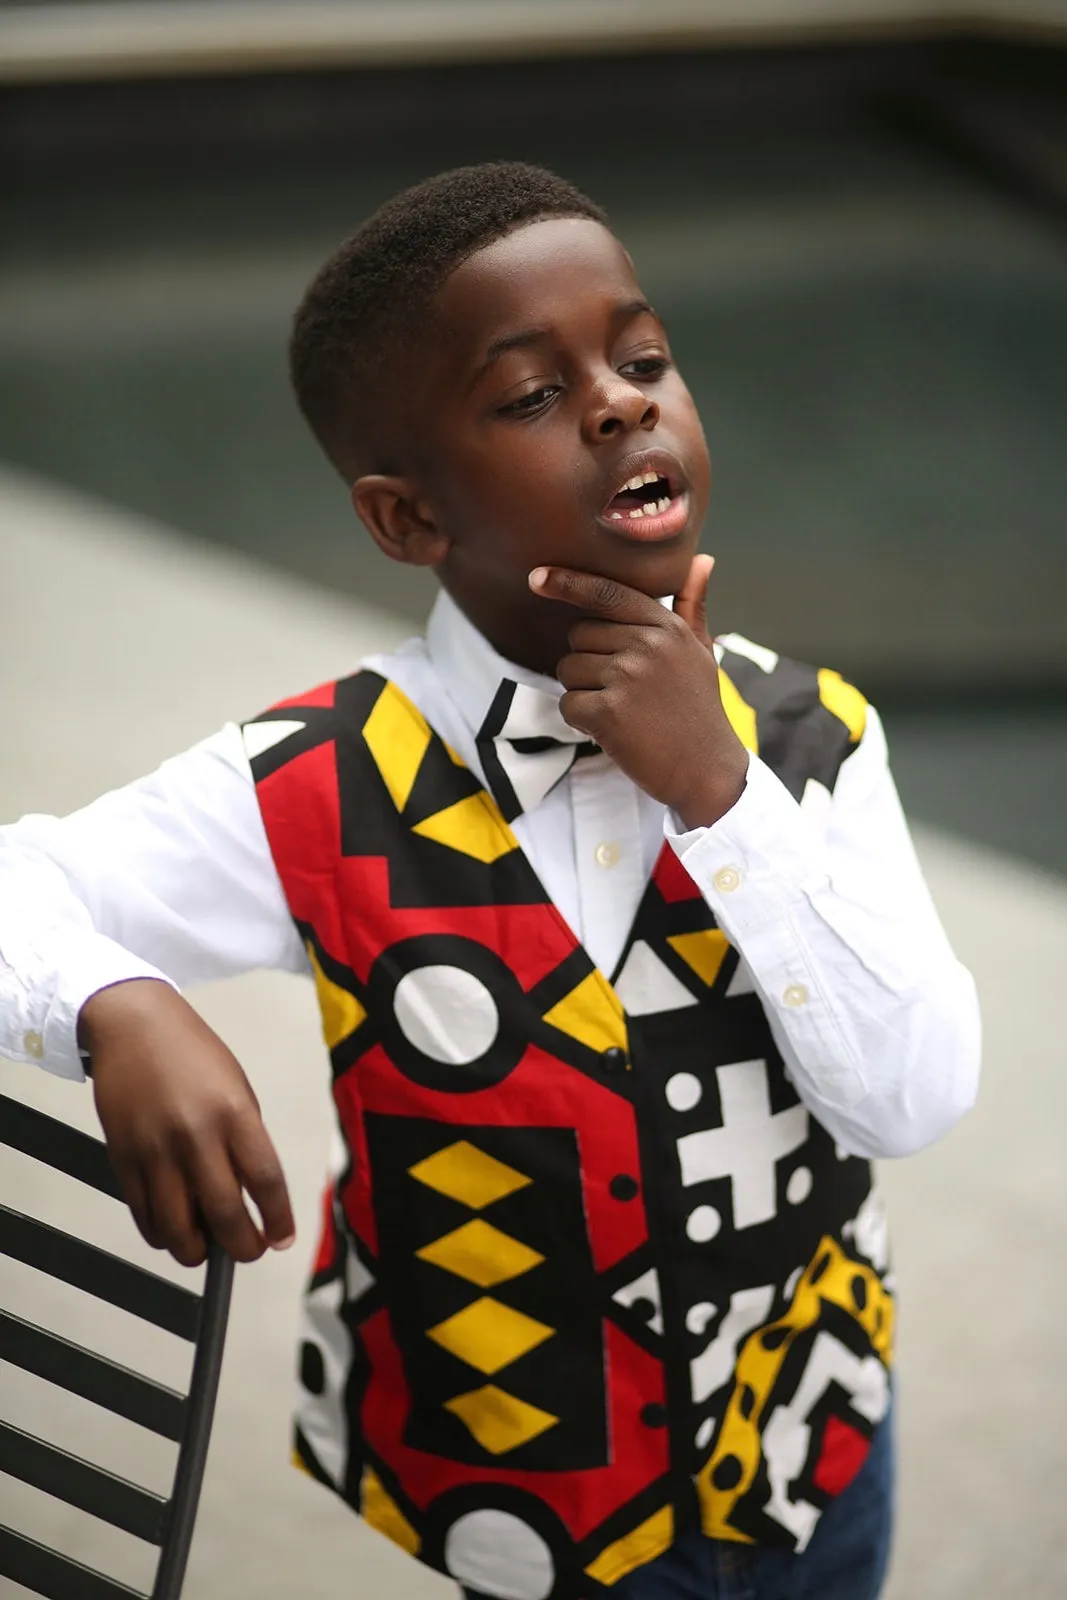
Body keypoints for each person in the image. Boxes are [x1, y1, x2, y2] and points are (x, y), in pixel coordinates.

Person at [0, 163, 980, 1600]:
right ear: (406, 521)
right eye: (530, 395)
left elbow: (913, 1096)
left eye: (641, 360)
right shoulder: (311, 784)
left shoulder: (809, 739)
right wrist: (111, 1000)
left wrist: (720, 795)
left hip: (808, 1457)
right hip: (518, 1511)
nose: (619, 403)